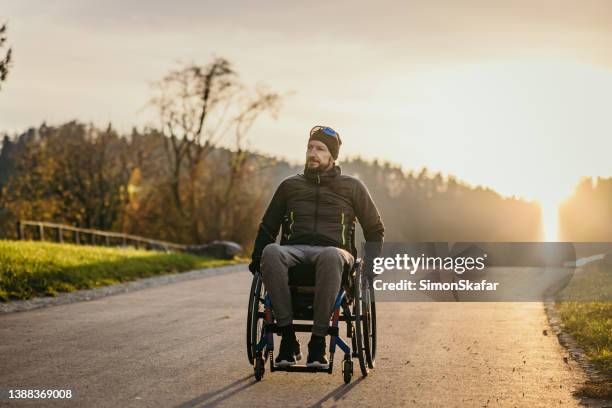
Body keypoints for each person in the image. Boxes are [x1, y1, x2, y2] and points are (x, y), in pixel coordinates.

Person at [249, 125, 384, 368]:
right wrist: (256, 260)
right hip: (294, 250)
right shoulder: (290, 186)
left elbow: (375, 229)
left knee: (331, 255)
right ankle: (288, 340)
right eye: (310, 148)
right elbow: (268, 227)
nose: (313, 153)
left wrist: (371, 267)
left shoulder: (352, 187)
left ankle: (318, 343)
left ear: (332, 155)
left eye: (320, 149)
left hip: (336, 252)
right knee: (271, 252)